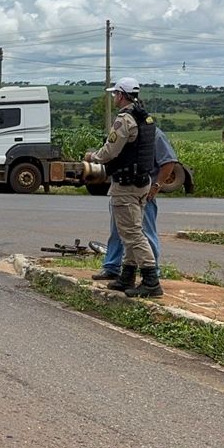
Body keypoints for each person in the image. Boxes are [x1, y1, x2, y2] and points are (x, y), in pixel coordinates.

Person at [84, 77, 161, 298]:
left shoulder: (124, 120)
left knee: (133, 234)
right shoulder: (145, 117)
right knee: (130, 231)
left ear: (121, 95)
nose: (114, 98)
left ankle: (150, 280)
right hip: (142, 183)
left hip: (125, 185)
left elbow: (111, 150)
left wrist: (93, 157)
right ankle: (127, 276)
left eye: (115, 94)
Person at [92, 127, 178, 281]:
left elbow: (168, 161)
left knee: (144, 232)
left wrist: (157, 186)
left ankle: (152, 272)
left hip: (142, 192)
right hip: (121, 190)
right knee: (117, 231)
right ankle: (112, 267)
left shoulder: (153, 135)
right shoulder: (123, 134)